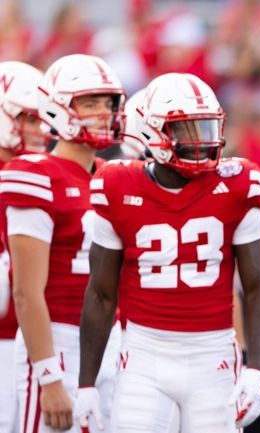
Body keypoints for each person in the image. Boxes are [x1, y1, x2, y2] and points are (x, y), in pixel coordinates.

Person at [77, 72, 260, 433]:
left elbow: (258, 284)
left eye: (206, 128)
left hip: (212, 355)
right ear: (154, 132)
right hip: (144, 354)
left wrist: (256, 367)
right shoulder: (117, 185)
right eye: (187, 129)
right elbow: (101, 294)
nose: (200, 141)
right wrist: (86, 382)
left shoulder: (238, 184)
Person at [2, 54, 124, 433]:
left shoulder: (116, 176)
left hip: (111, 343)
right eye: (90, 104)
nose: (103, 114)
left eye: (108, 104)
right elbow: (26, 291)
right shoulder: (35, 175)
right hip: (57, 339)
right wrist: (48, 374)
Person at [0, 60, 47, 433]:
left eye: (43, 118)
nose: (40, 129)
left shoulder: (49, 179)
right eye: (29, 118)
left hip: (40, 344)